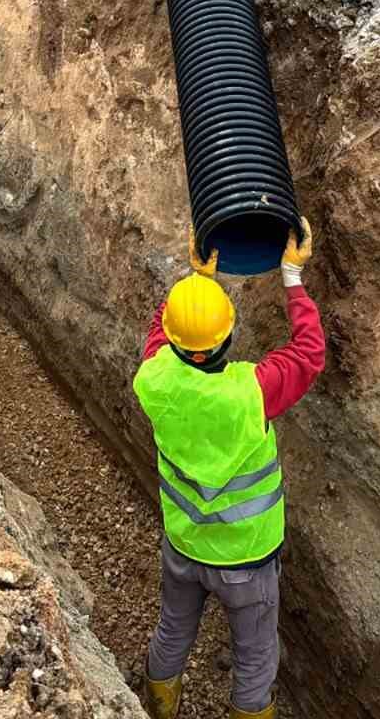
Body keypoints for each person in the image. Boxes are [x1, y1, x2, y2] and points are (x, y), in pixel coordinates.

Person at [132, 220, 325, 719]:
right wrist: (291, 276)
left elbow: (166, 331)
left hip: (184, 544)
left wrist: (199, 282)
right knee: (256, 655)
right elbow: (308, 354)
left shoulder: (154, 379)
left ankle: (157, 707)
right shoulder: (250, 393)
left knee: (173, 628)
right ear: (229, 337)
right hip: (246, 560)